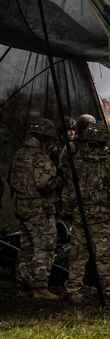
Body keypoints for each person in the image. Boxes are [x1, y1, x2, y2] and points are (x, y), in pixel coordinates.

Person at [59, 117, 110, 303]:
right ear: (104, 142)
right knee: (104, 254)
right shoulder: (108, 166)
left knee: (77, 254)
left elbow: (67, 190)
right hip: (101, 216)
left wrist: (70, 209)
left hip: (80, 215)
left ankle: (73, 289)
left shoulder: (77, 163)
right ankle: (107, 292)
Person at [9, 118, 63, 300]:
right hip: (39, 208)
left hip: (22, 207)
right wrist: (59, 180)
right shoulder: (40, 157)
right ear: (46, 138)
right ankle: (40, 287)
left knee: (27, 248)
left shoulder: (20, 155)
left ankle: (24, 286)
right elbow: (44, 183)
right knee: (44, 247)